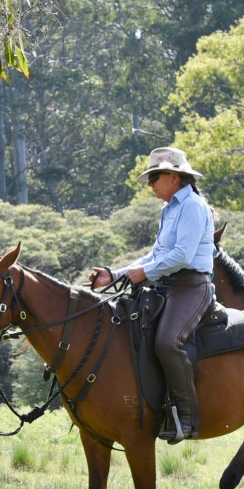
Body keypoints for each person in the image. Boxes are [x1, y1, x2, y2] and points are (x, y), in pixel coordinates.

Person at [90, 147, 214, 443]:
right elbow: (157, 254)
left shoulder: (193, 207)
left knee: (167, 342)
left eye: (154, 177)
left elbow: (182, 256)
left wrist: (145, 272)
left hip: (191, 287)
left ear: (173, 176)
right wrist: (117, 274)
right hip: (167, 286)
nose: (150, 184)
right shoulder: (169, 207)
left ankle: (186, 418)